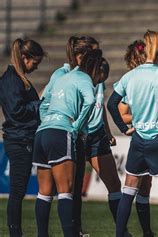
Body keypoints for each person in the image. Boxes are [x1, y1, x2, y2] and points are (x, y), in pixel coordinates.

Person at [107, 30, 158, 237]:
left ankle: (120, 234)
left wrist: (124, 129)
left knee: (128, 191)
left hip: (139, 140)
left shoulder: (130, 75)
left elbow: (112, 104)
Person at [33, 49, 106, 237]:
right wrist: (77, 127)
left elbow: (43, 102)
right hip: (61, 131)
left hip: (42, 133)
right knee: (66, 192)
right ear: (96, 67)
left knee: (44, 193)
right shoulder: (84, 79)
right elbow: (90, 102)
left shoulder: (62, 77)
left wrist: (46, 120)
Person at [0, 38, 45, 237]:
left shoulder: (18, 78)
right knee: (17, 193)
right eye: (34, 63)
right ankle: (14, 234)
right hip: (19, 141)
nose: (35, 68)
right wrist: (40, 104)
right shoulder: (11, 79)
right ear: (24, 57)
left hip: (22, 138)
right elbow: (16, 111)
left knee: (18, 192)